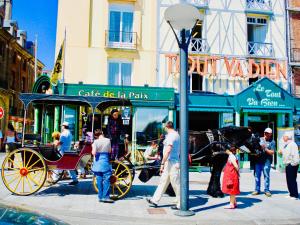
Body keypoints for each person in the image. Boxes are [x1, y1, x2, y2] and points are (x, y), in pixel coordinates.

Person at [146, 121, 180, 210]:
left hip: (172, 162)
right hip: (170, 162)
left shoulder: (171, 136)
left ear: (166, 127)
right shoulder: (175, 135)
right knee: (163, 181)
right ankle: (155, 200)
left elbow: (168, 150)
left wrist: (162, 163)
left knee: (175, 183)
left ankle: (180, 203)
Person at [91, 129, 114, 203]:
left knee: (99, 180)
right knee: (107, 179)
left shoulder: (95, 142)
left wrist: (93, 147)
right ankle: (106, 197)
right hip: (104, 161)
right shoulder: (108, 140)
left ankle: (100, 197)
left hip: (97, 162)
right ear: (102, 133)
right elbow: (110, 151)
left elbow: (93, 153)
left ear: (96, 136)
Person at [252, 127, 275, 197]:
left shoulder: (272, 141)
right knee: (257, 176)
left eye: (268, 133)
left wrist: (264, 148)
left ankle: (267, 190)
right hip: (258, 161)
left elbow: (272, 152)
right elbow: (254, 149)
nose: (266, 134)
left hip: (267, 161)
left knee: (266, 176)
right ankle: (257, 190)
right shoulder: (259, 139)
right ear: (264, 133)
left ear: (270, 134)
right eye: (266, 133)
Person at [278, 132, 299, 200]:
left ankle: (295, 195)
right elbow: (287, 153)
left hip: (292, 165)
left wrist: (292, 164)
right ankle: (291, 193)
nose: (283, 137)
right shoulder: (287, 144)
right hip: (288, 164)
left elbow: (295, 156)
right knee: (289, 180)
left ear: (288, 137)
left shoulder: (293, 144)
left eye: (284, 136)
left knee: (292, 180)